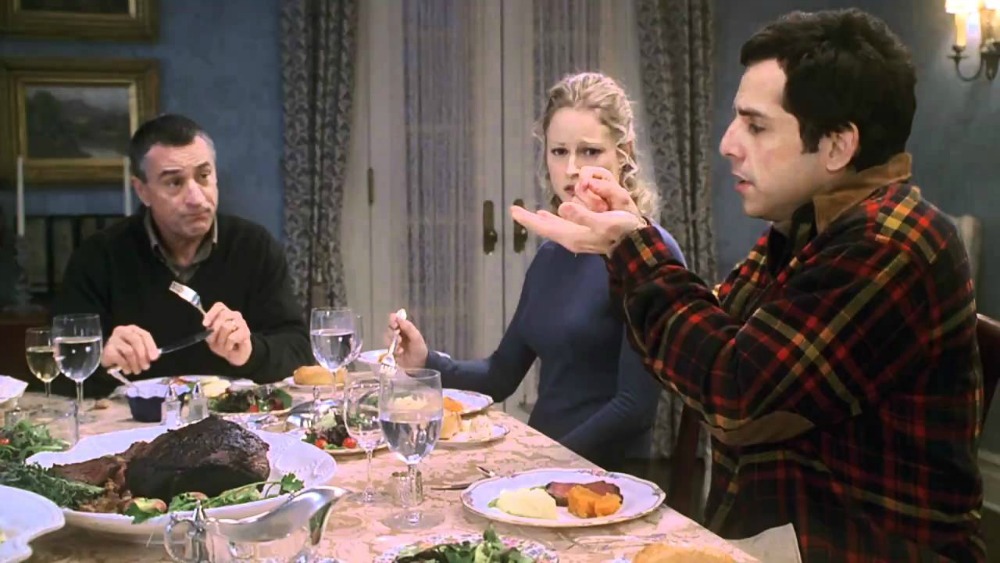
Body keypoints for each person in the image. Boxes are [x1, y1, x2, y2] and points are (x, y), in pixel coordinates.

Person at [512, 9, 983, 562]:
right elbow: (702, 342)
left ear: (837, 146)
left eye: (756, 126)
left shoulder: (889, 242)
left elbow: (732, 394)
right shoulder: (807, 225)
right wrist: (623, 245)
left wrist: (632, 246)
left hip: (853, 548)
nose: (728, 144)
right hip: (776, 536)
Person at [387, 72, 685, 469]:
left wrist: (541, 462)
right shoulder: (551, 256)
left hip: (606, 478)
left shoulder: (649, 252)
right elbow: (500, 376)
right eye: (559, 151)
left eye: (590, 151)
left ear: (624, 153)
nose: (573, 168)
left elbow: (634, 409)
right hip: (539, 465)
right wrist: (427, 361)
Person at [51, 114, 312, 398]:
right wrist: (100, 362)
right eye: (175, 183)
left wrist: (251, 352)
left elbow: (299, 353)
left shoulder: (254, 247)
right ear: (142, 191)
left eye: (204, 176)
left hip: (233, 416)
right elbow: (58, 378)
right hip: (132, 420)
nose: (197, 199)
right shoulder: (98, 257)